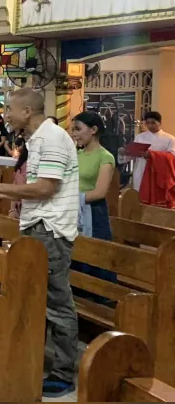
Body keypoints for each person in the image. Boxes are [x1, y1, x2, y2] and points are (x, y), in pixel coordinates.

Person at [0, 88, 79, 398]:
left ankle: (64, 372)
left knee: (57, 303)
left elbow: (45, 188)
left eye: (9, 108)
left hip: (51, 231)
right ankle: (33, 360)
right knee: (33, 299)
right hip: (36, 226)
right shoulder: (35, 139)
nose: (6, 113)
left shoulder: (52, 137)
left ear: (27, 111)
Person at [71, 111, 117, 293]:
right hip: (73, 210)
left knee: (95, 257)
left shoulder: (105, 157)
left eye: (78, 129)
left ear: (94, 130)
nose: (74, 133)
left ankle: (99, 298)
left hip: (93, 212)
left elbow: (99, 192)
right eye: (72, 129)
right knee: (75, 255)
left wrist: (70, 199)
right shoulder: (76, 154)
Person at [126, 110, 175, 191]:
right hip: (141, 170)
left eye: (153, 123)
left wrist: (152, 154)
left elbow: (172, 157)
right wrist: (124, 152)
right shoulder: (139, 137)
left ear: (160, 122)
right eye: (147, 123)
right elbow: (132, 154)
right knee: (139, 195)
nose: (150, 126)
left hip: (160, 173)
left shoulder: (170, 139)